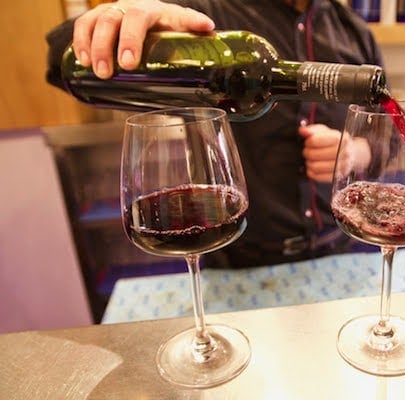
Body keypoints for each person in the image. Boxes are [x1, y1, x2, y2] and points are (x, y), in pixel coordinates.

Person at [45, 0, 384, 269]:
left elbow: (386, 136)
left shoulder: (355, 32)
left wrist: (358, 151)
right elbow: (62, 57)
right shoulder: (202, 17)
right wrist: (114, 21)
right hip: (234, 256)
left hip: (343, 250)